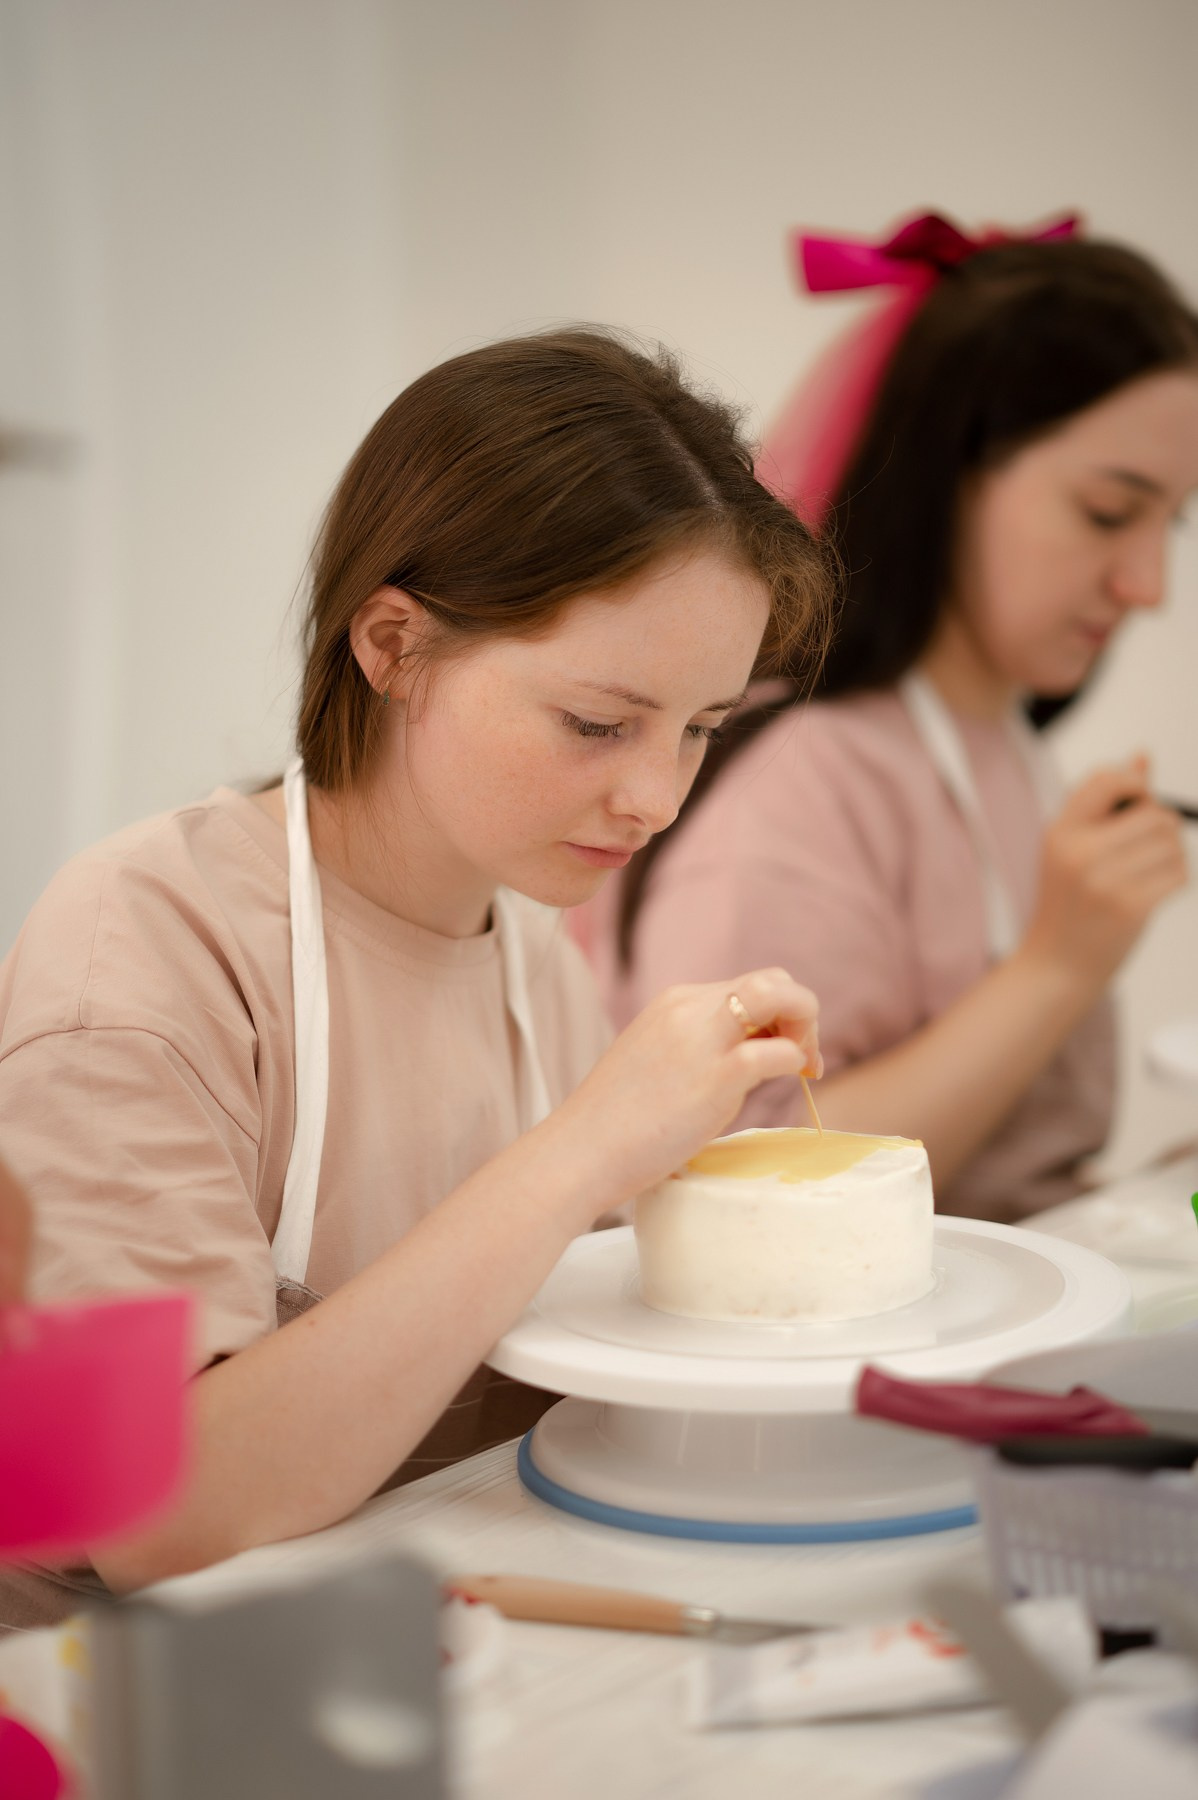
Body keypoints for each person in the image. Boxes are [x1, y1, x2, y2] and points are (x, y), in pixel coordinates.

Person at [0, 329, 832, 1626]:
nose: (657, 796)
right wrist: (582, 1151)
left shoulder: (529, 965)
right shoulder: (150, 943)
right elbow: (154, 1516)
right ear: (393, 645)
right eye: (599, 724)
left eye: (701, 730)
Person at [595, 214, 1198, 1223]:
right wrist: (1058, 963)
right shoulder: (800, 775)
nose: (1147, 585)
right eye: (1106, 512)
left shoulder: (1004, 745)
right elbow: (744, 1178)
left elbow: (1022, 1179)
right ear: (947, 478)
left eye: (1170, 521)